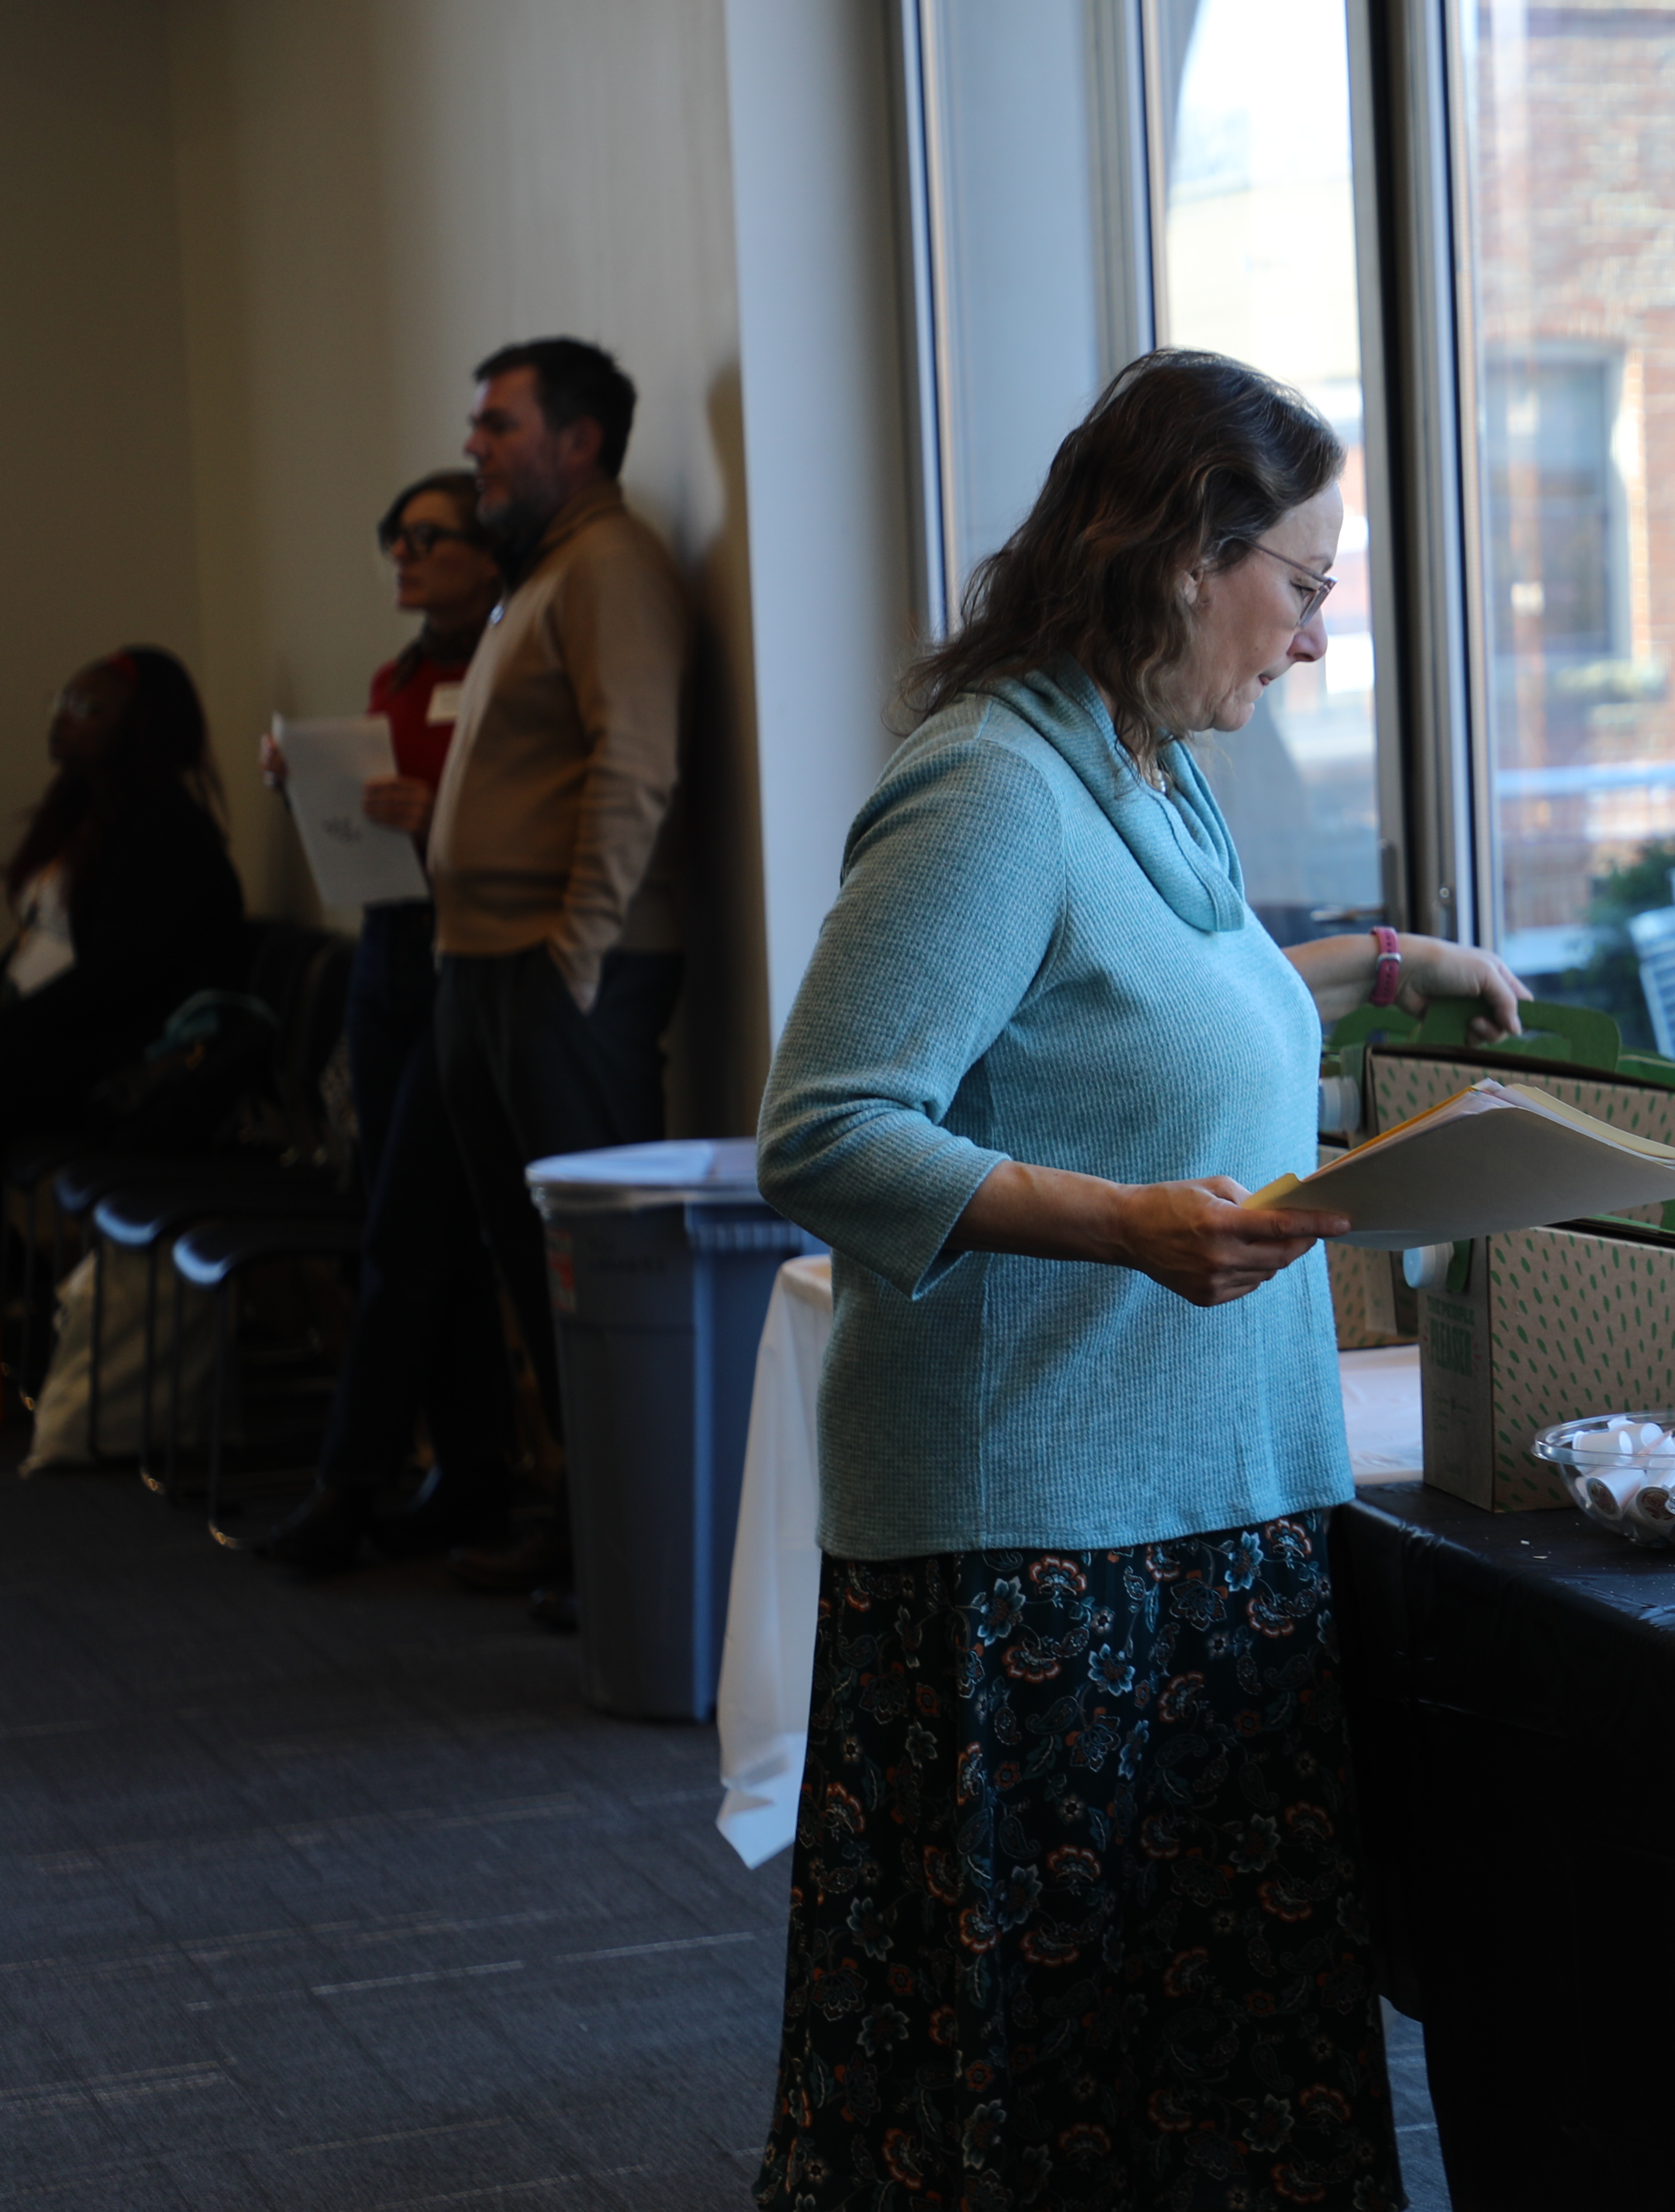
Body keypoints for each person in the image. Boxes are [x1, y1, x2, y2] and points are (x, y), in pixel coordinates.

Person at [752, 350, 1521, 2210]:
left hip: (1203, 1512)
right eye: (1305, 586)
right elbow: (824, 1132)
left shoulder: (1148, 768)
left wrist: (1382, 966)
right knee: (1070, 2091)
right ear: (1188, 552)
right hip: (1043, 1550)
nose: (1318, 639)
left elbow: (1145, 998)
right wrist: (1129, 1226)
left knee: (1199, 2072)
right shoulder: (992, 790)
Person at [423, 337, 691, 1613]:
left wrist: (575, 958)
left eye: (499, 424)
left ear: (578, 441)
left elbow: (634, 768)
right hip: (491, 967)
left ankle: (626, 1557)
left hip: (565, 974)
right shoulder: (541, 573)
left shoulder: (611, 566)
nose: (473, 444)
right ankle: (587, 1525)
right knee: (536, 1271)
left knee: (595, 1276)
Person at [248, 473, 518, 1574]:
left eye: (426, 537)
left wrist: (438, 811)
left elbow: (513, 810)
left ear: (488, 555)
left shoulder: (504, 671)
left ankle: (346, 1486)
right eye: (393, 538)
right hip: (385, 948)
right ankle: (476, 1477)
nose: (401, 556)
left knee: (406, 1228)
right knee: (414, 1220)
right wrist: (308, 785)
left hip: (466, 949)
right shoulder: (396, 675)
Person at [0, 647, 244, 1138]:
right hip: (45, 1035)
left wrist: (11, 1029)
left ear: (142, 727)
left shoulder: (166, 831)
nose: (62, 717)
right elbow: (38, 938)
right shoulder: (79, 811)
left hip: (104, 1058)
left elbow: (115, 979)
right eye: (63, 700)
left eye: (87, 708)